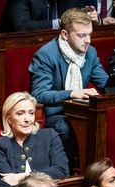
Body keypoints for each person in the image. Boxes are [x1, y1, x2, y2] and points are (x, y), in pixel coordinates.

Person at [29, 8, 108, 165]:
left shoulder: (90, 52)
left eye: (90, 34)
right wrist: (72, 93)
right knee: (65, 127)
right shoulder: (46, 55)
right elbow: (39, 94)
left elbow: (106, 83)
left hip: (83, 111)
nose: (88, 40)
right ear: (65, 34)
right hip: (55, 114)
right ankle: (69, 170)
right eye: (81, 35)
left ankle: (96, 169)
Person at [0, 92, 70, 187]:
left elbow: (62, 171)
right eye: (20, 113)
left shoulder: (49, 135)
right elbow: (7, 181)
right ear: (9, 119)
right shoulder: (0, 145)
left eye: (31, 113)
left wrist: (23, 176)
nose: (28, 119)